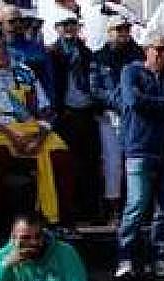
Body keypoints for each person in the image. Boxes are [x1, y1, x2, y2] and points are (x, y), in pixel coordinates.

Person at [0, 24, 74, 235]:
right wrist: (11, 135)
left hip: (30, 131)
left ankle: (58, 220)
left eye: (2, 47)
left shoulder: (24, 72)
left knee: (59, 153)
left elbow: (45, 109)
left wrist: (40, 138)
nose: (0, 53)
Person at [115, 32, 164, 279]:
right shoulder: (131, 72)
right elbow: (133, 102)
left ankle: (161, 256)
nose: (163, 54)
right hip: (139, 147)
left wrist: (154, 104)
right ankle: (125, 257)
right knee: (136, 204)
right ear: (147, 49)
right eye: (158, 49)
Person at [47, 11, 99, 225]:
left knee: (90, 161)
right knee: (69, 162)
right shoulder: (52, 53)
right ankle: (70, 210)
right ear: (56, 28)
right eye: (64, 24)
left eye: (73, 24)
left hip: (86, 110)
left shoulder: (87, 52)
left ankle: (89, 208)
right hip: (66, 111)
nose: (69, 28)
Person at [89, 16, 141, 226]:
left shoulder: (138, 54)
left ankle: (135, 208)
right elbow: (95, 89)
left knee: (134, 161)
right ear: (109, 31)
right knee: (112, 163)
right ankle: (113, 209)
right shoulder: (98, 57)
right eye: (118, 29)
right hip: (109, 115)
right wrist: (118, 102)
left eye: (126, 28)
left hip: (136, 115)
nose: (123, 33)